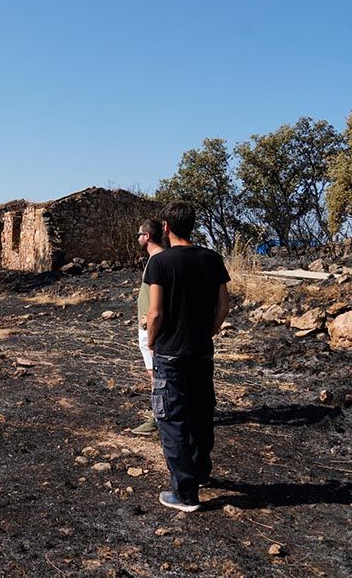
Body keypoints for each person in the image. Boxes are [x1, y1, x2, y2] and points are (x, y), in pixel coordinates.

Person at [144, 201, 230, 512]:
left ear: (165, 227)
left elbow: (155, 312)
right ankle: (200, 473)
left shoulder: (160, 263)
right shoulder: (212, 259)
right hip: (201, 351)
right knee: (201, 412)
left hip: (170, 353)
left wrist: (152, 342)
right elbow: (224, 306)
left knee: (173, 420)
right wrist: (210, 331)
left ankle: (185, 494)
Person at [129, 219, 165, 436]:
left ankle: (158, 417)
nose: (138, 238)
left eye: (139, 234)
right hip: (149, 324)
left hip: (151, 326)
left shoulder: (157, 261)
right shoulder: (156, 259)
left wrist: (150, 328)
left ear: (147, 236)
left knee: (156, 374)